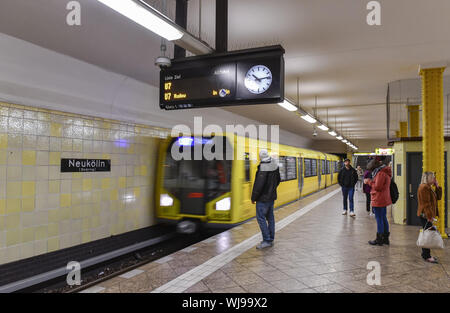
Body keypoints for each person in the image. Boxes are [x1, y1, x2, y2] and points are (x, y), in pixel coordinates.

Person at [251, 149, 281, 249]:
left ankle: (266, 240)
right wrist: (271, 190)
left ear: (261, 157)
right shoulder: (274, 165)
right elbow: (278, 180)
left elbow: (259, 185)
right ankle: (271, 238)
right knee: (270, 218)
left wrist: (253, 197)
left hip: (263, 198)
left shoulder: (263, 167)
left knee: (261, 218)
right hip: (271, 197)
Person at [365, 156, 392, 245]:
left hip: (378, 198)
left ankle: (379, 239)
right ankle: (385, 238)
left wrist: (369, 181)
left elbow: (378, 187)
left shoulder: (380, 173)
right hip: (383, 198)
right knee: (383, 218)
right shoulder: (384, 172)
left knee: (379, 218)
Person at [417, 172, 442, 263]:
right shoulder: (424, 188)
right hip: (425, 215)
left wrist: (437, 186)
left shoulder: (429, 187)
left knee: (428, 234)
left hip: (428, 215)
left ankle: (425, 254)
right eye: (433, 177)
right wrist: (429, 216)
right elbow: (425, 204)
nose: (434, 179)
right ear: (428, 178)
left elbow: (438, 197)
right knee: (428, 235)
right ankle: (426, 256)